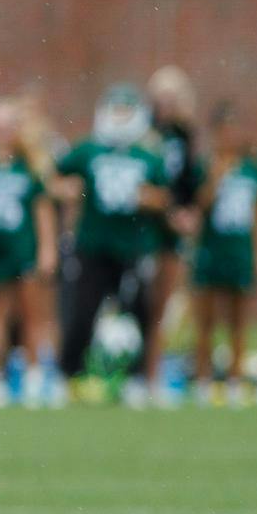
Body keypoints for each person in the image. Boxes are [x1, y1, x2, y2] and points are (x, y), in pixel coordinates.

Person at [53, 84, 169, 407]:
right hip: (93, 243)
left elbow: (164, 197)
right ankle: (69, 375)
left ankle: (135, 378)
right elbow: (55, 177)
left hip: (132, 246)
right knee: (83, 310)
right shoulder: (89, 150)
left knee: (137, 313)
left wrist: (150, 199)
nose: (119, 118)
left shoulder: (148, 155)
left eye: (125, 111)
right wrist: (69, 190)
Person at [0, 98, 59, 407]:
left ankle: (34, 379)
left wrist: (47, 249)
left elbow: (42, 209)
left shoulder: (29, 166)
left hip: (23, 249)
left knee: (32, 315)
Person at [190, 102, 257, 407]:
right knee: (206, 321)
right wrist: (217, 177)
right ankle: (204, 380)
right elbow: (199, 206)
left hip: (239, 249)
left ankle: (235, 379)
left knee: (238, 320)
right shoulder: (206, 166)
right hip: (211, 249)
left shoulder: (252, 168)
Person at [144, 66, 205, 405]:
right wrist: (167, 212)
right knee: (150, 304)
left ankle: (162, 372)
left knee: (170, 305)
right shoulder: (145, 133)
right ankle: (146, 373)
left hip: (175, 228)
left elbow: (188, 180)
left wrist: (189, 212)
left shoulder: (184, 135)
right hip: (148, 228)